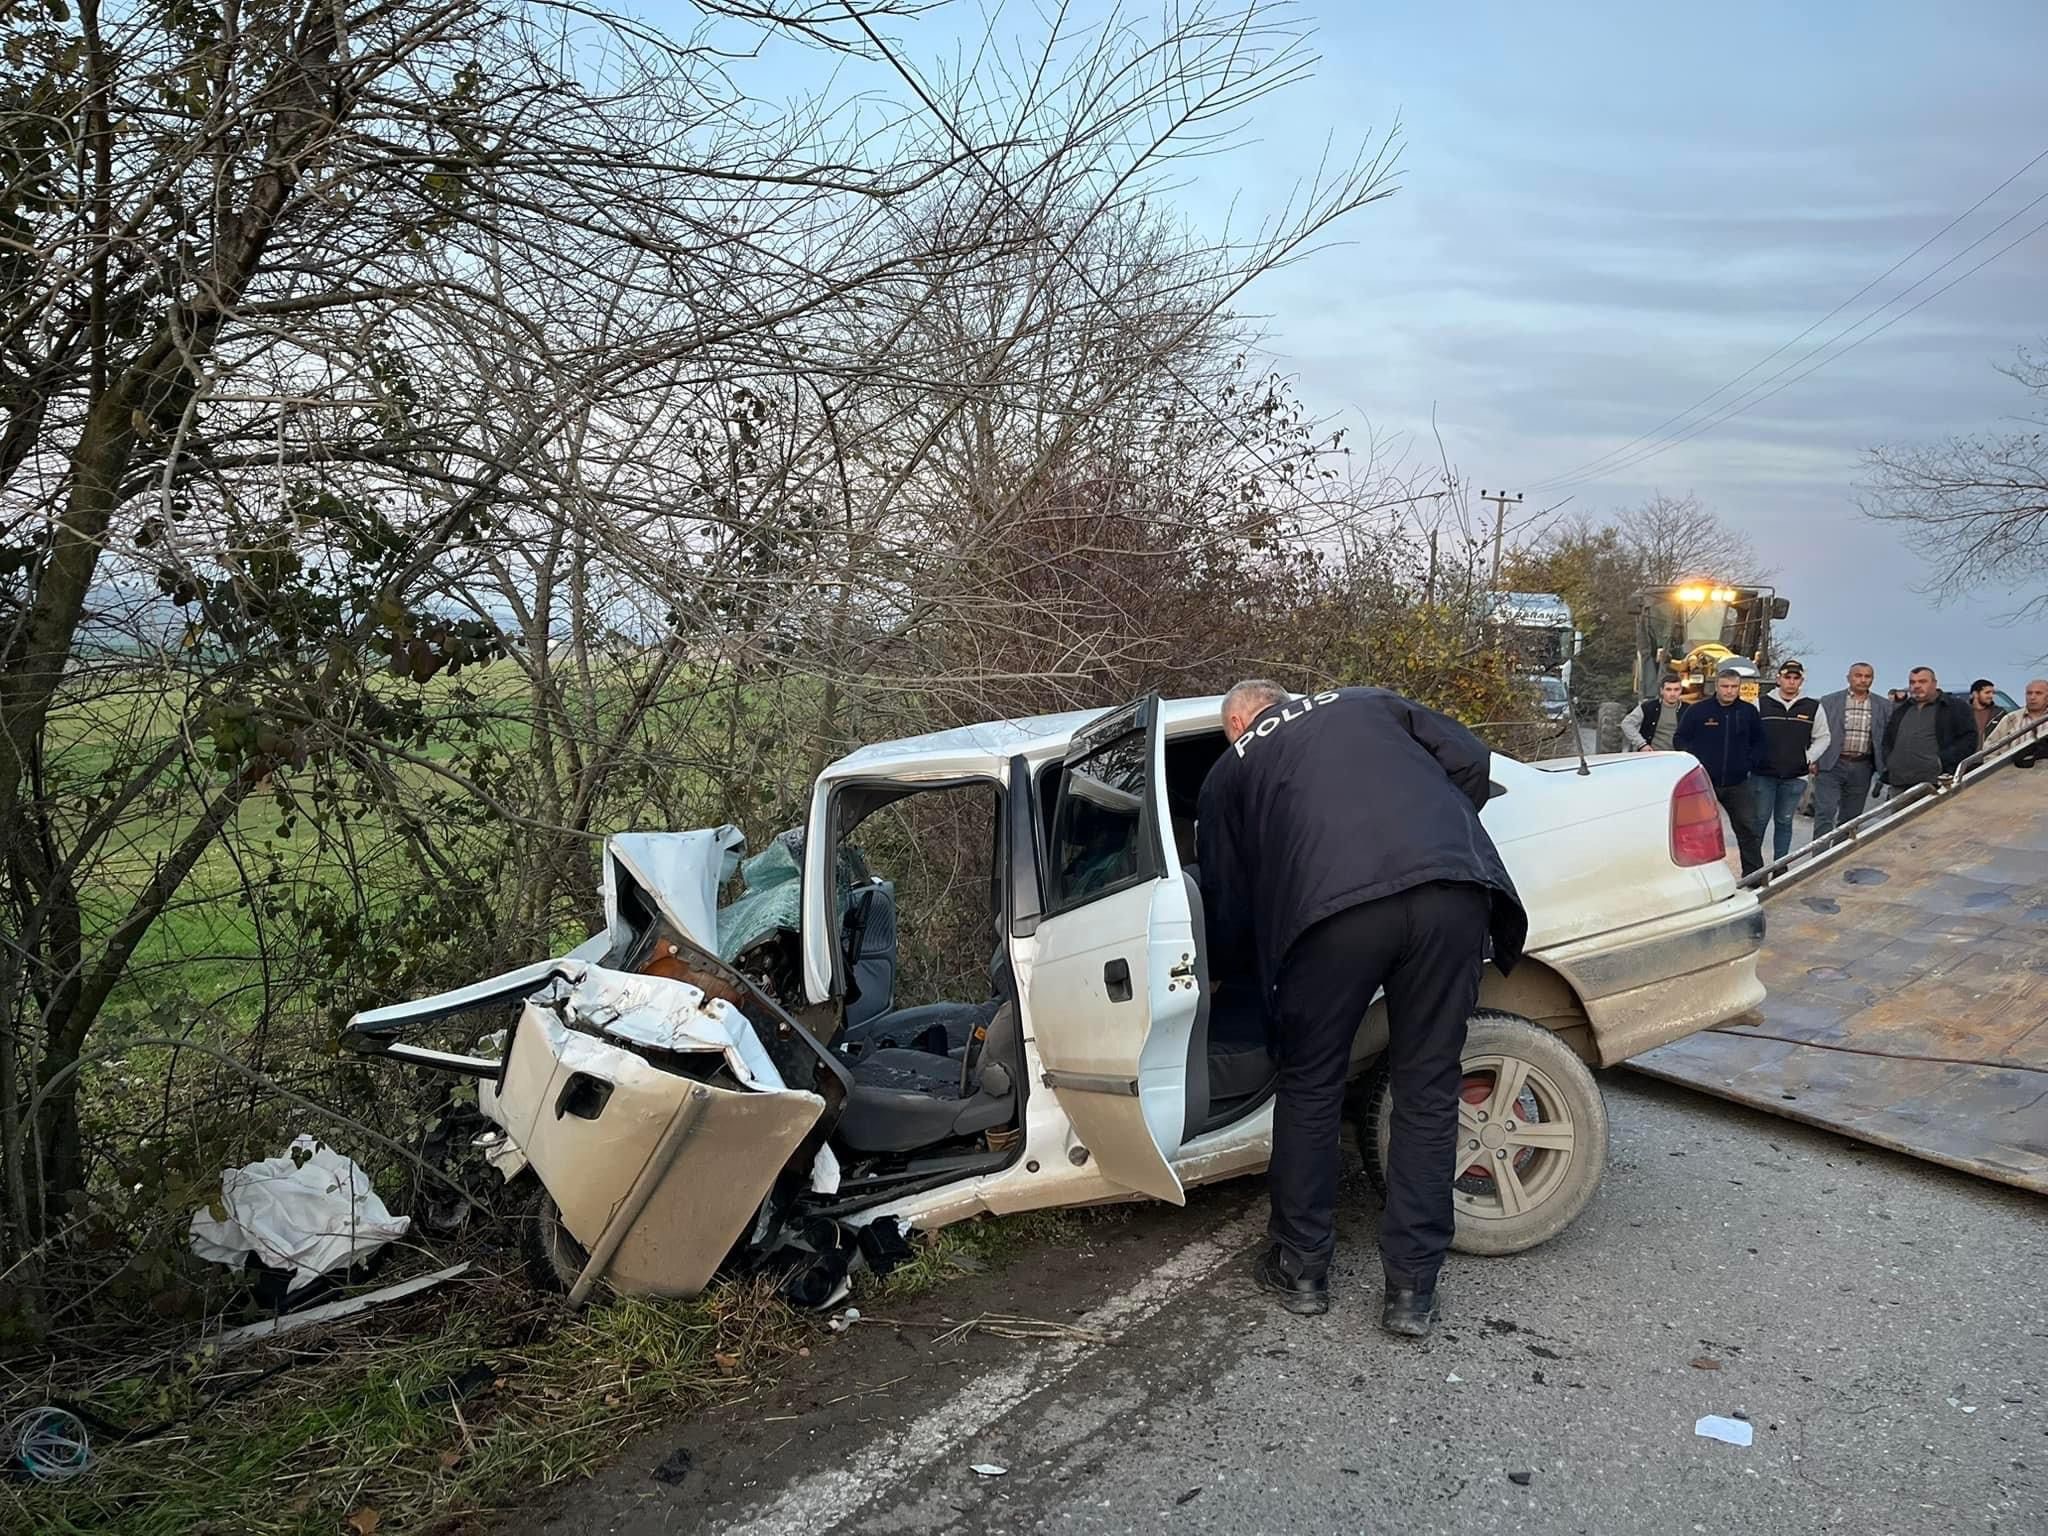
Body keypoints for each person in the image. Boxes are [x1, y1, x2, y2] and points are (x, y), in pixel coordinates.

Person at [1196, 680, 1527, 1339]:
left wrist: (1241, 972)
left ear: (1239, 721)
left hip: (1332, 918)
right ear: (1287, 699)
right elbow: (1471, 761)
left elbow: (1227, 902)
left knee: (1311, 1085)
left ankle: (1303, 1268)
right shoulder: (1367, 702)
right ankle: (1412, 1291)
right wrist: (1424, 837)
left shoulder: (1229, 769)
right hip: (1451, 892)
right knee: (1428, 1088)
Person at [1673, 664, 1768, 876]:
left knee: (1749, 830)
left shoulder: (1748, 712)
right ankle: (1699, 878)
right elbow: (1680, 738)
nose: (1729, 691)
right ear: (1716, 686)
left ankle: (1755, 878)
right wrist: (1694, 763)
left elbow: (1760, 741)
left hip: (1738, 783)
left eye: (1734, 686)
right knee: (1699, 832)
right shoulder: (1698, 711)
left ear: (1739, 688)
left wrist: (1749, 763)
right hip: (1704, 783)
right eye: (1725, 686)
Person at [1750, 660, 1829, 863]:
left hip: (1795, 776)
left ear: (1801, 680)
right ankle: (1753, 867)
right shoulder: (1761, 704)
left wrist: (1808, 757)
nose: (1791, 682)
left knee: (1784, 822)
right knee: (1758, 822)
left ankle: (1780, 866)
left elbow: (1824, 737)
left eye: (1796, 678)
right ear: (1779, 679)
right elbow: (1747, 734)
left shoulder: (1813, 707)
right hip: (1763, 775)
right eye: (1787, 677)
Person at [1812, 662, 1890, 838]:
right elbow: (1815, 731)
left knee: (1851, 819)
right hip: (1831, 764)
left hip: (1863, 767)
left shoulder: (1883, 705)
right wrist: (1813, 759)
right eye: (1858, 675)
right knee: (1825, 813)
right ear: (1849, 677)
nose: (1863, 680)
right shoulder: (1829, 701)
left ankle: (1838, 857)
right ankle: (1819, 860)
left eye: (1867, 676)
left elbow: (1886, 737)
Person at [1881, 666, 1975, 791]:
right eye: (1912, 682)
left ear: (1935, 683)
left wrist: (1941, 761)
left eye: (1922, 681)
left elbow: (1969, 739)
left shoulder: (1954, 707)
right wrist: (1890, 762)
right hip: (1899, 782)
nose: (1917, 686)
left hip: (1935, 783)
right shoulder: (1902, 710)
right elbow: (1887, 740)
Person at [1983, 678, 2047, 764]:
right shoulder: (2010, 719)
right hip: (2013, 773)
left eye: (2038, 693)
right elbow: (1989, 749)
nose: (2032, 697)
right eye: (2029, 693)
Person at [1621, 674, 1688, 752]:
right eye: (1668, 689)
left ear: (1681, 690)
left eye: (1676, 689)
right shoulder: (1648, 707)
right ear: (1662, 691)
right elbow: (1627, 723)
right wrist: (1642, 744)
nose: (1672, 694)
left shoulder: (1689, 710)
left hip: (1680, 757)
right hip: (1652, 755)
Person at [1966, 679, 2006, 748]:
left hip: (1993, 756)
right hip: (1968, 757)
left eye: (1993, 693)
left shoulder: (2000, 713)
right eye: (1987, 693)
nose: (1991, 696)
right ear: (1975, 694)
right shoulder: (1962, 713)